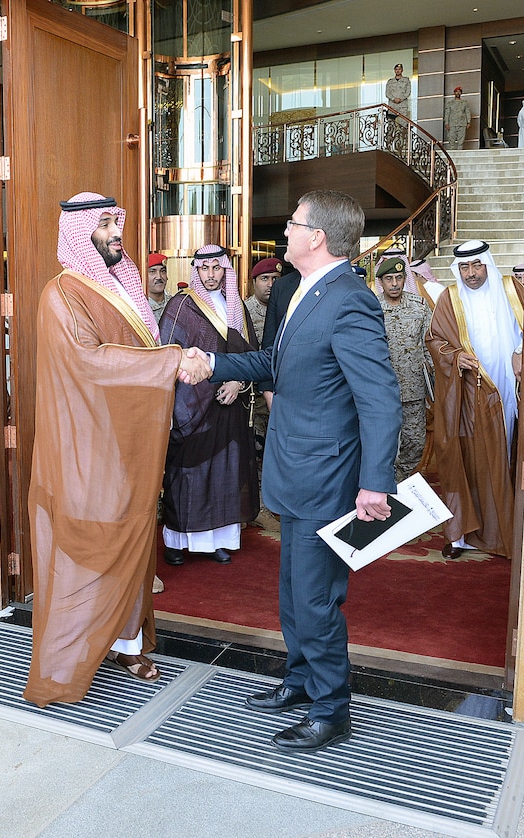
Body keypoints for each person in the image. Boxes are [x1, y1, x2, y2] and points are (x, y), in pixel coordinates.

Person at [191, 190, 401, 753]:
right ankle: (301, 681)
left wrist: (375, 482)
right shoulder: (302, 289)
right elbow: (275, 365)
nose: (284, 229)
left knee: (315, 599)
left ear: (318, 238)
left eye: (293, 223)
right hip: (294, 468)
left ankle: (330, 709)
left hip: (328, 478)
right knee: (292, 593)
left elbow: (380, 398)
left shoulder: (351, 299)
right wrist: (211, 363)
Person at [24, 193, 202, 707]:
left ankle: (124, 643)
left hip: (128, 444)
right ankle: (69, 658)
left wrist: (167, 362)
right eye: (103, 224)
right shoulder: (62, 294)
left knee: (133, 541)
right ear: (79, 232)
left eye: (116, 222)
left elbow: (134, 352)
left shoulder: (122, 286)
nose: (114, 232)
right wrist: (171, 362)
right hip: (86, 448)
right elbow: (89, 361)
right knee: (88, 547)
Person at [158, 245, 260, 566]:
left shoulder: (237, 306)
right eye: (204, 269)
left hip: (229, 407)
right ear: (196, 271)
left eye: (217, 269)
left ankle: (217, 538)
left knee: (225, 472)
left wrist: (238, 382)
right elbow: (167, 355)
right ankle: (177, 541)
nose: (211, 275)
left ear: (225, 270)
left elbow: (251, 356)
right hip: (193, 407)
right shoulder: (181, 305)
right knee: (188, 474)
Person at [426, 240, 524, 559]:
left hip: (511, 390)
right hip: (469, 391)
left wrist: (522, 354)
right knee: (467, 457)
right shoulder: (450, 299)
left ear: (487, 264)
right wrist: (455, 357)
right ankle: (462, 533)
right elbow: (435, 339)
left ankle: (506, 530)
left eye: (477, 265)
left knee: (507, 456)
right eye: (465, 267)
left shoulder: (512, 290)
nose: (471, 273)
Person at [376, 257, 433, 482]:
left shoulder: (419, 306)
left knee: (415, 441)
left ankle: (401, 478)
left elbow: (429, 343)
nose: (395, 283)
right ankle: (382, 481)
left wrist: (433, 384)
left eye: (399, 278)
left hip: (413, 390)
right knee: (382, 441)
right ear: (381, 281)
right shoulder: (372, 308)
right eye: (389, 278)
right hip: (382, 390)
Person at [245, 258, 280, 458]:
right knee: (256, 455)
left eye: (275, 278)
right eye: (264, 279)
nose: (270, 284)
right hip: (254, 402)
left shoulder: (287, 308)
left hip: (281, 401)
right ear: (254, 282)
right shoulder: (243, 311)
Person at [145, 253, 171, 320]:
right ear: (144, 277)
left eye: (163, 271)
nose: (159, 277)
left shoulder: (175, 303)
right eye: (152, 272)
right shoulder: (141, 306)